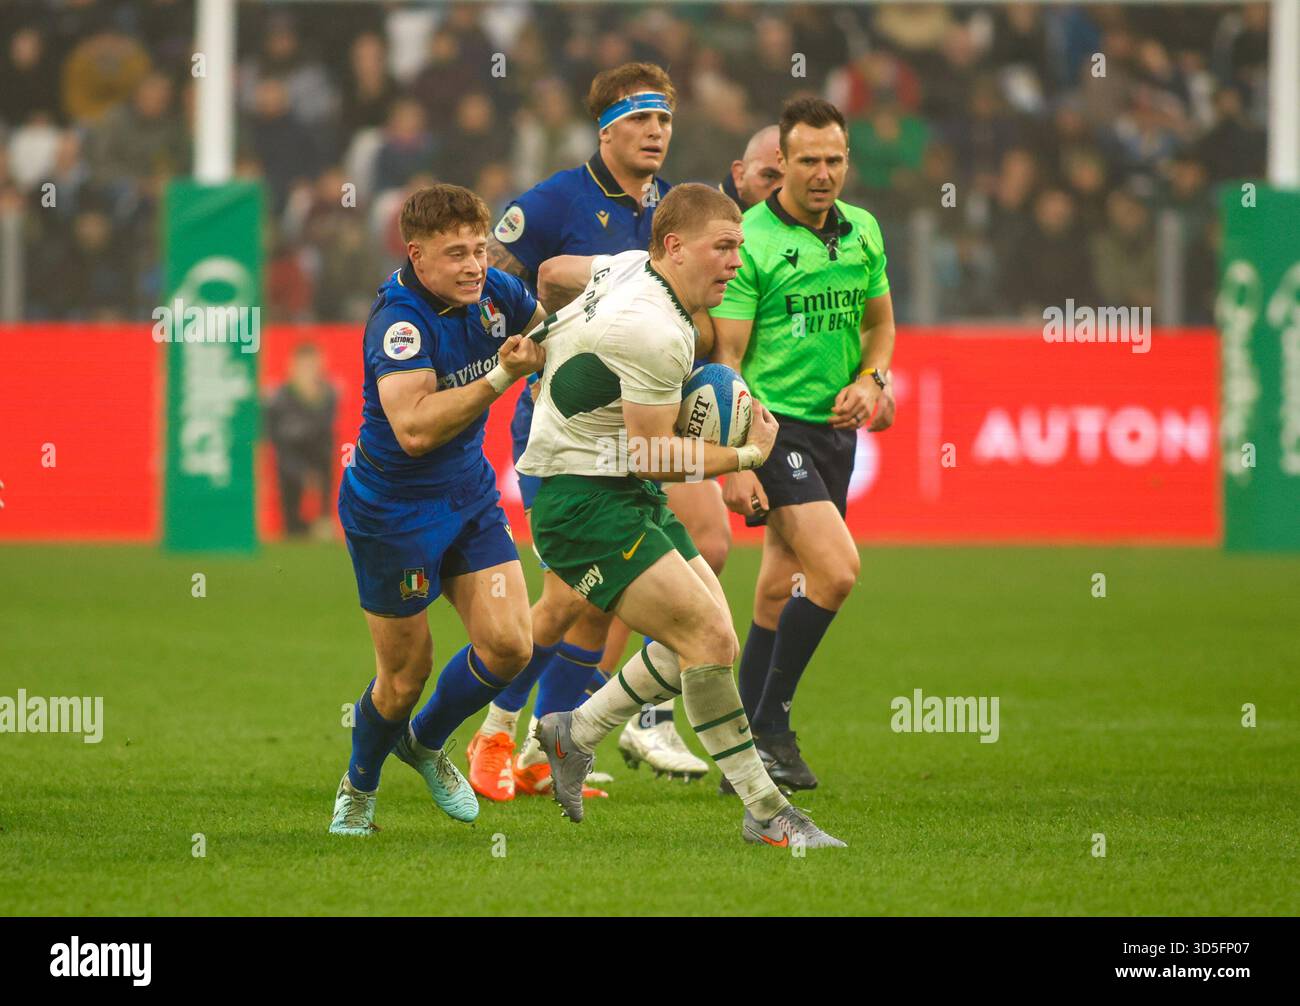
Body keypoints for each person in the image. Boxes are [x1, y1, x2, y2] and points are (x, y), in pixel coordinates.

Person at [524, 183, 844, 848]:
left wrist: (547, 342)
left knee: (709, 642)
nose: (736, 261)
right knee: (705, 642)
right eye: (723, 247)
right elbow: (648, 453)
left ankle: (573, 731)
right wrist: (747, 454)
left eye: (740, 247)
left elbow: (554, 273)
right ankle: (767, 813)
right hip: (583, 503)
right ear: (675, 247)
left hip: (610, 489)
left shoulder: (630, 266)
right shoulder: (656, 331)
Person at [466, 62, 707, 802]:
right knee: (570, 596)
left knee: (599, 601)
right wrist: (527, 341)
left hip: (630, 423)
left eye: (664, 120)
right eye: (641, 120)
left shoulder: (670, 207)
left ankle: (545, 748)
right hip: (561, 425)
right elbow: (487, 284)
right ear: (606, 128)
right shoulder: (550, 203)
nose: (656, 133)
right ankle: (494, 733)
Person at [329, 184, 547, 835]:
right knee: (404, 676)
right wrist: (504, 378)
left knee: (511, 645)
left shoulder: (495, 296)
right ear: (417, 256)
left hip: (469, 499)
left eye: (480, 250)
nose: (474, 266)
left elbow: (554, 336)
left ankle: (423, 744)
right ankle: (358, 787)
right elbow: (416, 430)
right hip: (392, 515)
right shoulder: (399, 323)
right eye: (456, 254)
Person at [711, 98, 896, 795]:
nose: (823, 174)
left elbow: (880, 327)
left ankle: (739, 754)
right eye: (809, 160)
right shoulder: (749, 240)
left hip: (835, 433)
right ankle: (773, 728)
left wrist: (872, 381)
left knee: (776, 588)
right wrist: (734, 460)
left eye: (835, 160)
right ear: (781, 163)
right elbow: (726, 357)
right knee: (838, 572)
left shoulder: (865, 231)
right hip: (771, 429)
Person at [264, 343, 336, 539]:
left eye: (313, 366)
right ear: (292, 368)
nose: (309, 373)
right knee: (292, 528)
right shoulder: (278, 399)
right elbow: (278, 445)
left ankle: (322, 522)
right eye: (304, 367)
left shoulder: (328, 396)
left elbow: (326, 440)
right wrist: (302, 473)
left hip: (320, 469)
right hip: (290, 470)